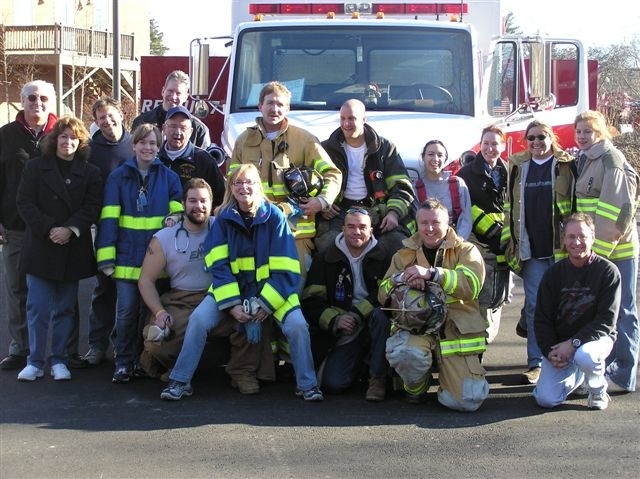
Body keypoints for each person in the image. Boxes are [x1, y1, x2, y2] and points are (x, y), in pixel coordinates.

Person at [161, 164, 324, 401]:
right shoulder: (222, 220)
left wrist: (266, 304)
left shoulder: (275, 217)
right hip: (232, 292)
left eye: (248, 182)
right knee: (197, 320)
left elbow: (287, 267)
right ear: (231, 187)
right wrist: (232, 305)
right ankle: (180, 381)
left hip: (272, 292)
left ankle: (307, 385)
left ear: (258, 186)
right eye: (237, 183)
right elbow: (219, 265)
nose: (243, 187)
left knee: (297, 327)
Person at [138, 178, 273, 388]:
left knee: (249, 320)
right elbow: (146, 281)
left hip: (218, 296)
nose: (198, 206)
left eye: (203, 201)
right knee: (157, 345)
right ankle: (177, 368)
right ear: (183, 203)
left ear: (212, 204)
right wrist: (159, 313)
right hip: (180, 300)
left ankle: (241, 371)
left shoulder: (224, 227)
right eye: (192, 200)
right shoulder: (164, 237)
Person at [378, 199, 488, 411]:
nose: (429, 229)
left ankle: (449, 383)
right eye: (424, 223)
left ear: (448, 223)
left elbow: (471, 285)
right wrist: (403, 280)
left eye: (436, 223)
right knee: (405, 353)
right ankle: (416, 388)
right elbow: (383, 293)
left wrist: (433, 275)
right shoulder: (403, 255)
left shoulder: (466, 250)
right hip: (416, 328)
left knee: (467, 402)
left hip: (454, 331)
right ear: (416, 224)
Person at [15, 117, 102, 381]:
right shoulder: (34, 168)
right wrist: (50, 229)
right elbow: (24, 202)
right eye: (63, 137)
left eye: (74, 138)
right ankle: (35, 361)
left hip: (71, 248)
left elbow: (92, 206)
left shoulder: (90, 173)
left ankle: (60, 360)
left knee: (65, 309)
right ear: (55, 140)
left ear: (81, 142)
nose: (68, 142)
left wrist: (70, 229)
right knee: (37, 307)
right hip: (41, 246)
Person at [96, 123, 183, 384]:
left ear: (159, 148)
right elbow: (109, 219)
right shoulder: (118, 177)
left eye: (153, 144)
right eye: (143, 142)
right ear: (133, 145)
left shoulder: (169, 178)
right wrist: (106, 258)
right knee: (125, 314)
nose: (148, 148)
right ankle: (123, 363)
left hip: (156, 262)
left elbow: (178, 212)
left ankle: (144, 362)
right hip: (125, 260)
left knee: (151, 315)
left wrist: (174, 216)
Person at [228, 81, 341, 273]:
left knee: (292, 291)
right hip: (254, 232)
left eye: (280, 104)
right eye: (270, 103)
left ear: (288, 108)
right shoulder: (243, 141)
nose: (274, 109)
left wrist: (322, 201)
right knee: (258, 290)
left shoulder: (304, 139)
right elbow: (231, 182)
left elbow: (332, 173)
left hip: (295, 234)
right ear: (260, 106)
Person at [502, 120, 575, 385]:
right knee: (534, 306)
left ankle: (560, 357)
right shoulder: (518, 166)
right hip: (530, 249)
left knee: (561, 305)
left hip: (559, 249)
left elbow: (574, 204)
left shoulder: (565, 165)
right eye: (530, 138)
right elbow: (510, 208)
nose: (536, 143)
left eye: (541, 137)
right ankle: (536, 363)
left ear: (551, 138)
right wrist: (509, 243)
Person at [573, 110, 639, 393]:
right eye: (579, 132)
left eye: (588, 131)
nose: (582, 136)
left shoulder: (611, 160)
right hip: (599, 250)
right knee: (606, 311)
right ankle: (609, 363)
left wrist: (596, 254)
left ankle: (624, 374)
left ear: (600, 132)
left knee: (624, 310)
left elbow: (617, 212)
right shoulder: (587, 158)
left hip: (617, 252)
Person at [302, 207, 392, 401]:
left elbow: (388, 293)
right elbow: (311, 301)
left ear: (371, 230)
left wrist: (358, 313)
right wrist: (335, 319)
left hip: (374, 324)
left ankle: (377, 378)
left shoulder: (385, 257)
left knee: (380, 316)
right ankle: (362, 365)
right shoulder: (324, 258)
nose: (356, 232)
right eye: (351, 226)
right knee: (333, 384)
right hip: (346, 330)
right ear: (342, 229)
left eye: (362, 227)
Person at [533, 213, 621, 410]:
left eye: (582, 236)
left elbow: (606, 321)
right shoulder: (553, 274)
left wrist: (573, 344)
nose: (577, 242)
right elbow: (541, 319)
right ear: (564, 240)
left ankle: (597, 390)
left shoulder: (608, 271)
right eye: (571, 237)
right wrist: (549, 351)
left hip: (596, 341)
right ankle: (579, 375)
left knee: (585, 355)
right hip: (562, 346)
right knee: (545, 400)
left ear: (593, 238)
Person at [0, 80, 58, 371]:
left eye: (44, 98)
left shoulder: (64, 135)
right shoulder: (5, 137)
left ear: (52, 101)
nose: (38, 103)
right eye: (32, 97)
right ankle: (20, 348)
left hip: (55, 230)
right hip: (16, 228)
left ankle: (61, 352)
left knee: (61, 293)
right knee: (17, 289)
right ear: (22, 101)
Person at [315, 99, 415, 257]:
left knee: (395, 244)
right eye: (343, 118)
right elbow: (313, 182)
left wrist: (393, 213)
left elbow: (401, 186)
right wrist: (323, 204)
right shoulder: (326, 148)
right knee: (329, 245)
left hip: (378, 210)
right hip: (339, 211)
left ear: (363, 119)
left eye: (352, 118)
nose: (346, 124)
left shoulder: (385, 148)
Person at [78, 97, 134, 367]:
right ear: (96, 122)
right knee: (104, 287)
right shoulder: (89, 150)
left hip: (136, 230)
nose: (108, 122)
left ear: (121, 115)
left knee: (133, 288)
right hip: (106, 229)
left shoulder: (136, 144)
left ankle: (128, 346)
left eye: (111, 116)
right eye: (101, 118)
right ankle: (97, 346)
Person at [457, 126, 510, 343]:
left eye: (495, 144)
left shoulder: (510, 171)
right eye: (486, 143)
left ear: (503, 146)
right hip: (477, 241)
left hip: (504, 241)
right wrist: (488, 226)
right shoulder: (466, 174)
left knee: (500, 292)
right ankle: (479, 339)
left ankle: (487, 331)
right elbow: (462, 206)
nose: (490, 148)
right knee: (481, 292)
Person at [158, 105, 225, 207]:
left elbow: (220, 198)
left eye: (183, 128)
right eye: (173, 126)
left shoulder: (204, 160)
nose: (178, 132)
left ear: (191, 132)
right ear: (164, 128)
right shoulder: (154, 158)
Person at [132, 70, 210, 149]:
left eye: (178, 93)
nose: (173, 97)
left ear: (186, 97)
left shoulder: (199, 129)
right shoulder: (141, 122)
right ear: (163, 91)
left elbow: (205, 159)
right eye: (170, 91)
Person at [416, 140, 472, 239]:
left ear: (445, 159)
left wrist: (457, 242)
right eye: (431, 154)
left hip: (456, 238)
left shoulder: (458, 184)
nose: (435, 159)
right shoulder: (416, 188)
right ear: (423, 158)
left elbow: (466, 218)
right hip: (428, 240)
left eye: (440, 155)